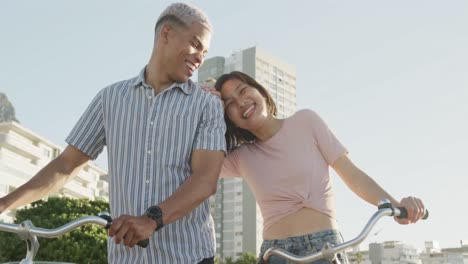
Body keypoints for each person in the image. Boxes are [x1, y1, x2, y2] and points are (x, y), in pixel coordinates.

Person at [0, 3, 226, 263]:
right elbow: (65, 165)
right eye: (196, 45)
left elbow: (205, 181)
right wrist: (4, 204)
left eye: (205, 52)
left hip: (190, 256)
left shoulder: (207, 105)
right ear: (166, 34)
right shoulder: (111, 98)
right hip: (126, 257)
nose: (200, 57)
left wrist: (151, 220)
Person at [210, 71, 426, 264]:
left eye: (243, 90)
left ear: (261, 92)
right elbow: (190, 163)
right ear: (230, 120)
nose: (240, 102)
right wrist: (203, 104)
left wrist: (396, 206)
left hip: (324, 251)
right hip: (275, 255)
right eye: (229, 104)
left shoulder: (306, 121)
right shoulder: (241, 157)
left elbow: (352, 174)